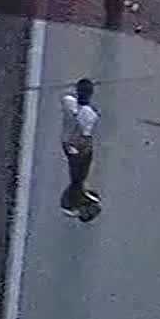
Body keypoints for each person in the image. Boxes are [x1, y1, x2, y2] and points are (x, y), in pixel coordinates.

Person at [60, 78, 101, 219]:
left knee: (77, 172)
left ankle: (79, 198)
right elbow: (84, 134)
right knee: (79, 173)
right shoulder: (90, 114)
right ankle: (78, 200)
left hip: (69, 143)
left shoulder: (68, 102)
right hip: (79, 147)